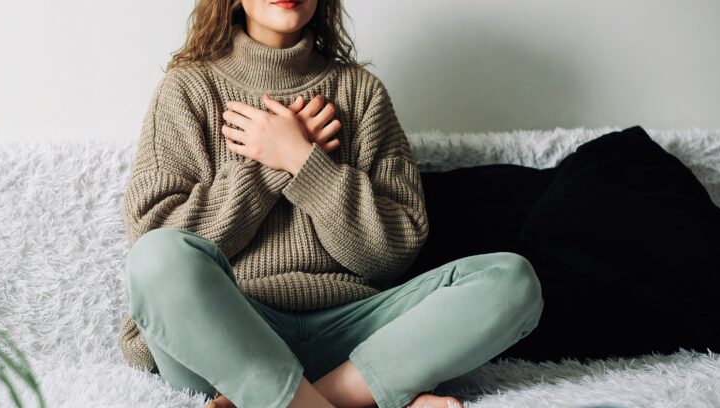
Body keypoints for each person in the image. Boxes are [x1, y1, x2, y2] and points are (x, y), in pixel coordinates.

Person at [118, 0, 544, 407]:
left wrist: (302, 160)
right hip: (232, 341)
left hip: (358, 337)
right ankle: (351, 398)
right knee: (156, 257)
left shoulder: (361, 93)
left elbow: (391, 252)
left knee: (511, 281)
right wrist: (266, 168)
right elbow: (155, 237)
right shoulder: (188, 88)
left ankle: (290, 401)